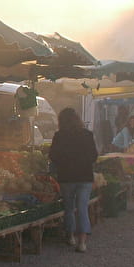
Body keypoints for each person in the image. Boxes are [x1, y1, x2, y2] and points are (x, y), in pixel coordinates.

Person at [49, 108, 99, 253]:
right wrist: (84, 162)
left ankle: (70, 236)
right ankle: (82, 242)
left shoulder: (59, 136)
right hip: (85, 177)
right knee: (82, 208)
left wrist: (63, 163)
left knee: (69, 208)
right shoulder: (87, 135)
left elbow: (53, 155)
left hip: (66, 177)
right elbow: (94, 156)